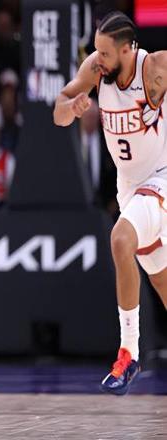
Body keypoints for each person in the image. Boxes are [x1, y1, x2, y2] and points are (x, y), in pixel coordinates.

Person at [53, 11, 167, 395]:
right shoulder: (95, 69)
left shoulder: (155, 68)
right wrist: (70, 108)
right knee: (161, 278)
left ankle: (129, 353)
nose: (97, 58)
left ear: (127, 49)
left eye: (104, 52)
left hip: (162, 179)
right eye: (96, 51)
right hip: (130, 188)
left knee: (120, 239)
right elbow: (59, 111)